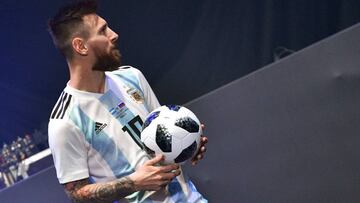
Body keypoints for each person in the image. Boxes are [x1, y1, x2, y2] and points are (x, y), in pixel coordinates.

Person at [47, 0, 208, 202]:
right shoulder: (65, 121)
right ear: (80, 46)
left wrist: (186, 147)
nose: (114, 35)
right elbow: (76, 193)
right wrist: (134, 183)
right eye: (103, 30)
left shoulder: (132, 77)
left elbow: (163, 144)